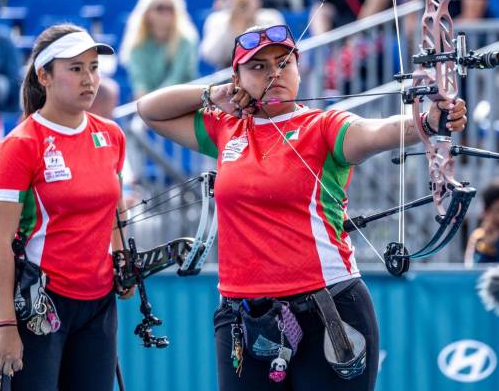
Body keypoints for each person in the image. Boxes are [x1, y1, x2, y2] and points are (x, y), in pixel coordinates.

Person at [136, 24, 468, 390]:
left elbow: (375, 132)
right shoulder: (226, 129)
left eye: (284, 63)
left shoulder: (323, 126)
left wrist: (426, 123)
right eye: (258, 66)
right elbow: (149, 110)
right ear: (237, 79)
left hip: (328, 309)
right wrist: (213, 94)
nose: (274, 73)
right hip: (244, 316)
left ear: (298, 68)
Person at [0, 24, 131, 387]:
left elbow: (116, 210)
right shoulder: (20, 145)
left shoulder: (111, 135)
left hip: (99, 304)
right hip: (41, 303)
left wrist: (123, 260)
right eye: (76, 68)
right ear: (44, 76)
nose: (89, 79)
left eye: (93, 68)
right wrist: (6, 324)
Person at [120, 0, 199, 99]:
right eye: (160, 8)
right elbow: (139, 84)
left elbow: (175, 80)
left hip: (183, 100)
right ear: (147, 13)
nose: (166, 13)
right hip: (148, 102)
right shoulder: (137, 44)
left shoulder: (186, 41)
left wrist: (154, 102)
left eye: (170, 8)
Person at [200, 0, 285, 69]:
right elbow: (210, 56)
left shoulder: (271, 18)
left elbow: (281, 52)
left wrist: (254, 20)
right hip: (228, 76)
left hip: (265, 73)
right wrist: (233, 22)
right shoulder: (216, 19)